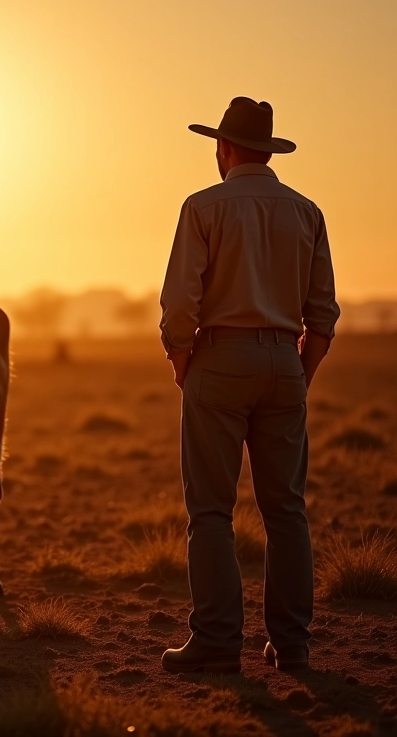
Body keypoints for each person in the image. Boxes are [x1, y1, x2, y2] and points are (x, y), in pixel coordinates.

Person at [159, 96, 340, 674]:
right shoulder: (307, 211)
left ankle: (216, 641)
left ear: (226, 148)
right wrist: (300, 371)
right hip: (285, 361)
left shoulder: (203, 207)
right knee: (286, 509)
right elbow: (324, 312)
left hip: (218, 360)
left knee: (211, 510)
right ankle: (292, 645)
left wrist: (180, 357)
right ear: (268, 150)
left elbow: (179, 302)